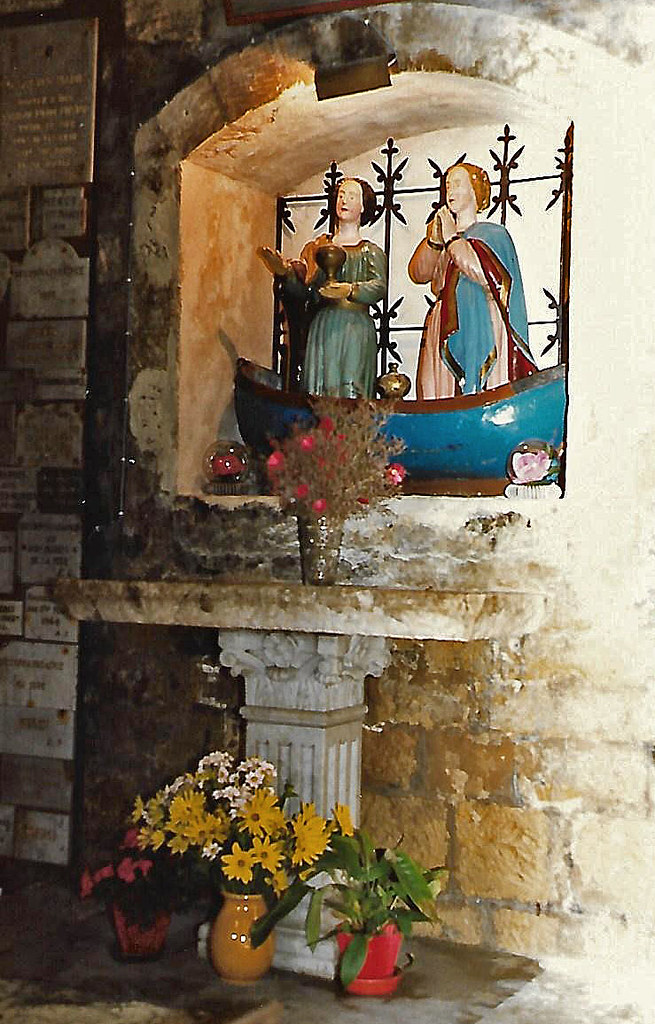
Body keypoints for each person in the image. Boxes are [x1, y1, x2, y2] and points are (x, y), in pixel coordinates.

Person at [408, 162, 535, 400]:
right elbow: (419, 273)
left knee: (482, 391)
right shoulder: (446, 237)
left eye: (458, 183)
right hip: (445, 322)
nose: (450, 190)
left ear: (475, 190)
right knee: (442, 395)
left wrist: (452, 239)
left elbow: (486, 276)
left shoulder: (493, 234)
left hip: (483, 320)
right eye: (448, 185)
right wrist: (435, 241)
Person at [258, 177, 386, 398]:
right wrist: (285, 274)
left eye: (352, 196)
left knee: (351, 389)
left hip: (354, 328)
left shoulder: (369, 251)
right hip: (323, 325)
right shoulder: (318, 249)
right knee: (319, 390)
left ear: (363, 206)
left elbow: (379, 286)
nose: (344, 200)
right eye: (341, 195)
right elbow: (307, 292)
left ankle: (351, 431)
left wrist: (349, 290)